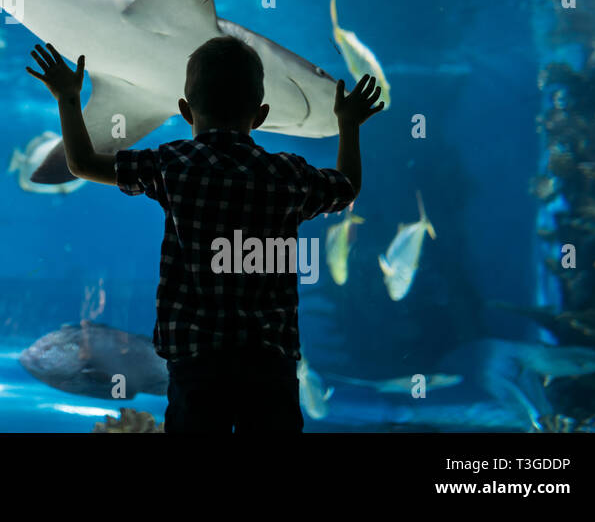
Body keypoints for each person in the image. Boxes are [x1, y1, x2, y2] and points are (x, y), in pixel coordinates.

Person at [26, 37, 384, 432]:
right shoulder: (288, 174)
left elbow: (82, 163)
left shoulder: (173, 165)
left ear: (184, 110)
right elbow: (347, 186)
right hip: (269, 362)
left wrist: (69, 97)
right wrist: (348, 125)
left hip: (196, 360)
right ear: (262, 115)